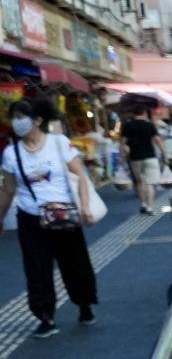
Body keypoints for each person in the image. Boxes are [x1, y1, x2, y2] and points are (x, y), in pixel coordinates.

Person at [0, 96, 100, 336]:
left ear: (37, 120)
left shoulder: (58, 142)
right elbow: (8, 189)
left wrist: (86, 207)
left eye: (21, 117)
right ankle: (45, 316)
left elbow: (80, 175)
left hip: (64, 213)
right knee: (36, 268)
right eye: (14, 118)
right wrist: (0, 217)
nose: (16, 122)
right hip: (30, 217)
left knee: (74, 263)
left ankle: (84, 304)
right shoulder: (11, 153)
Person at [121, 103, 160, 214]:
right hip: (150, 157)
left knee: (139, 182)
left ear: (134, 113)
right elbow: (157, 140)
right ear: (144, 113)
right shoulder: (149, 125)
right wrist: (164, 153)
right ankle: (150, 207)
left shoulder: (127, 125)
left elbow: (123, 142)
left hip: (135, 157)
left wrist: (121, 156)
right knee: (150, 183)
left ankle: (143, 204)